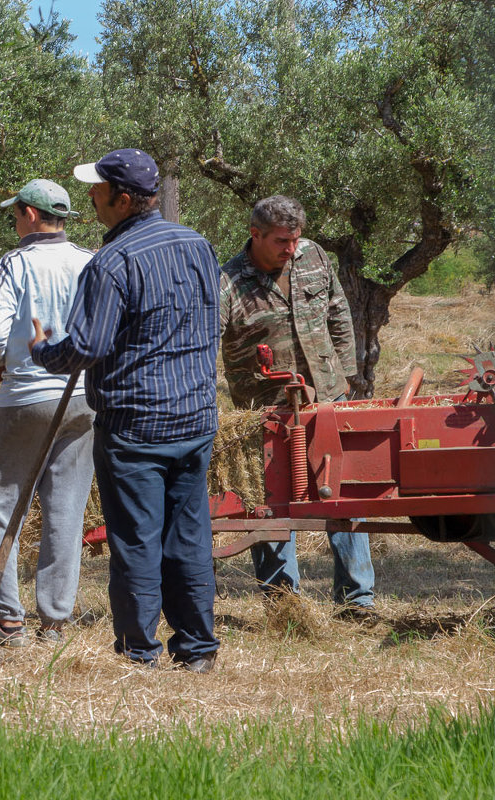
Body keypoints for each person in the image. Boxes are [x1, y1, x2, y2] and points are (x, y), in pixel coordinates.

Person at [31, 149, 221, 672]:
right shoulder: (198, 245)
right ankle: (198, 650)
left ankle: (139, 653)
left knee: (136, 539)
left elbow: (87, 348)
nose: (89, 198)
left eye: (96, 190)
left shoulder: (112, 262)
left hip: (135, 423)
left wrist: (43, 351)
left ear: (122, 198)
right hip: (195, 416)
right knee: (188, 536)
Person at [0, 179, 97, 651]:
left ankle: (5, 625)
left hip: (27, 395)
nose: (14, 221)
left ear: (32, 215)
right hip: (82, 396)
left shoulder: (15, 263)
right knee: (65, 512)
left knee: (2, 507)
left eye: (16, 213)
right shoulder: (86, 260)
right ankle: (55, 626)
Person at [219, 195, 376, 617]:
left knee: (342, 495)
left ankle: (357, 600)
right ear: (255, 235)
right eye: (281, 242)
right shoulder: (228, 282)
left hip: (327, 397)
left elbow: (339, 314)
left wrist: (346, 376)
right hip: (266, 408)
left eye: (295, 239)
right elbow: (208, 336)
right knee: (270, 502)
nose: (291, 249)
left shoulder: (314, 256)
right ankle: (284, 604)